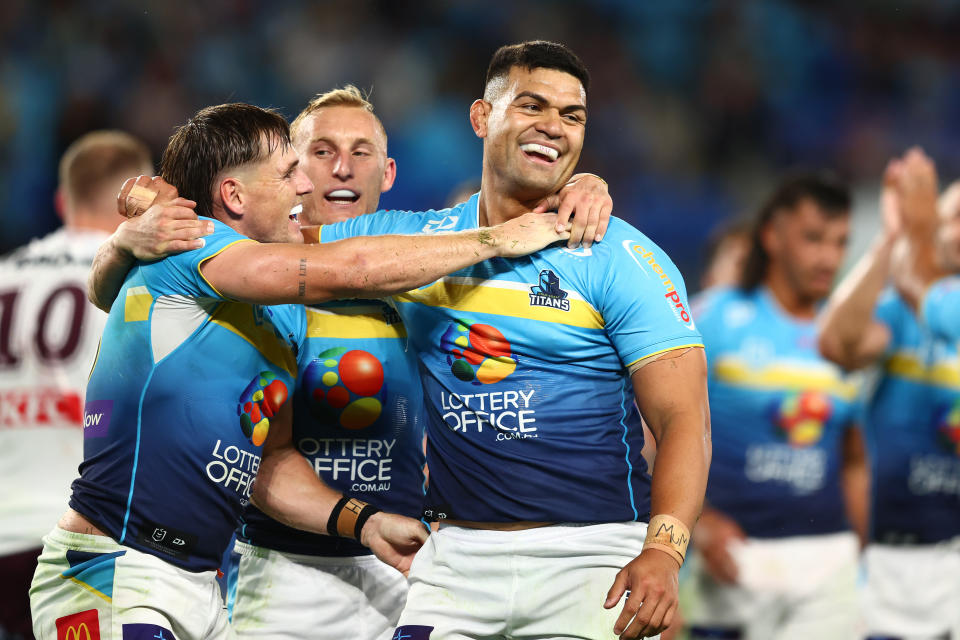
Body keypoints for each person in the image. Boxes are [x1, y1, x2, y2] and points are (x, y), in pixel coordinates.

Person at [29, 102, 574, 640]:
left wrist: (365, 521)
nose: (305, 187)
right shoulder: (187, 244)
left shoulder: (278, 313)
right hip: (114, 571)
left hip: (197, 587)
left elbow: (275, 459)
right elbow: (352, 268)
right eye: (290, 171)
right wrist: (499, 239)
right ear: (234, 195)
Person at [309, 41, 710, 640]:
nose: (553, 127)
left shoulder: (621, 257)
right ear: (480, 118)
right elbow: (269, 252)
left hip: (592, 562)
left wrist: (665, 551)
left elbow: (684, 420)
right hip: (452, 566)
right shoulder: (418, 247)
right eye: (531, 106)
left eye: (572, 116)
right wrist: (157, 209)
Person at [685, 173, 867, 640]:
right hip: (729, 561)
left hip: (825, 562)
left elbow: (853, 458)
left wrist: (863, 557)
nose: (828, 257)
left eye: (840, 242)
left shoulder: (845, 339)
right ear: (771, 236)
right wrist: (696, 522)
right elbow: (650, 432)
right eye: (813, 238)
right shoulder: (711, 318)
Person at [0, 131, 155, 640]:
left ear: (63, 200)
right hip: (89, 535)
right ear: (139, 198)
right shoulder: (141, 282)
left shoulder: (5, 277)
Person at [820, 149, 960, 639]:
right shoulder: (903, 312)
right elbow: (839, 343)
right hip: (891, 565)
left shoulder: (932, 298)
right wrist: (893, 241)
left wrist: (912, 238)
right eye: (956, 218)